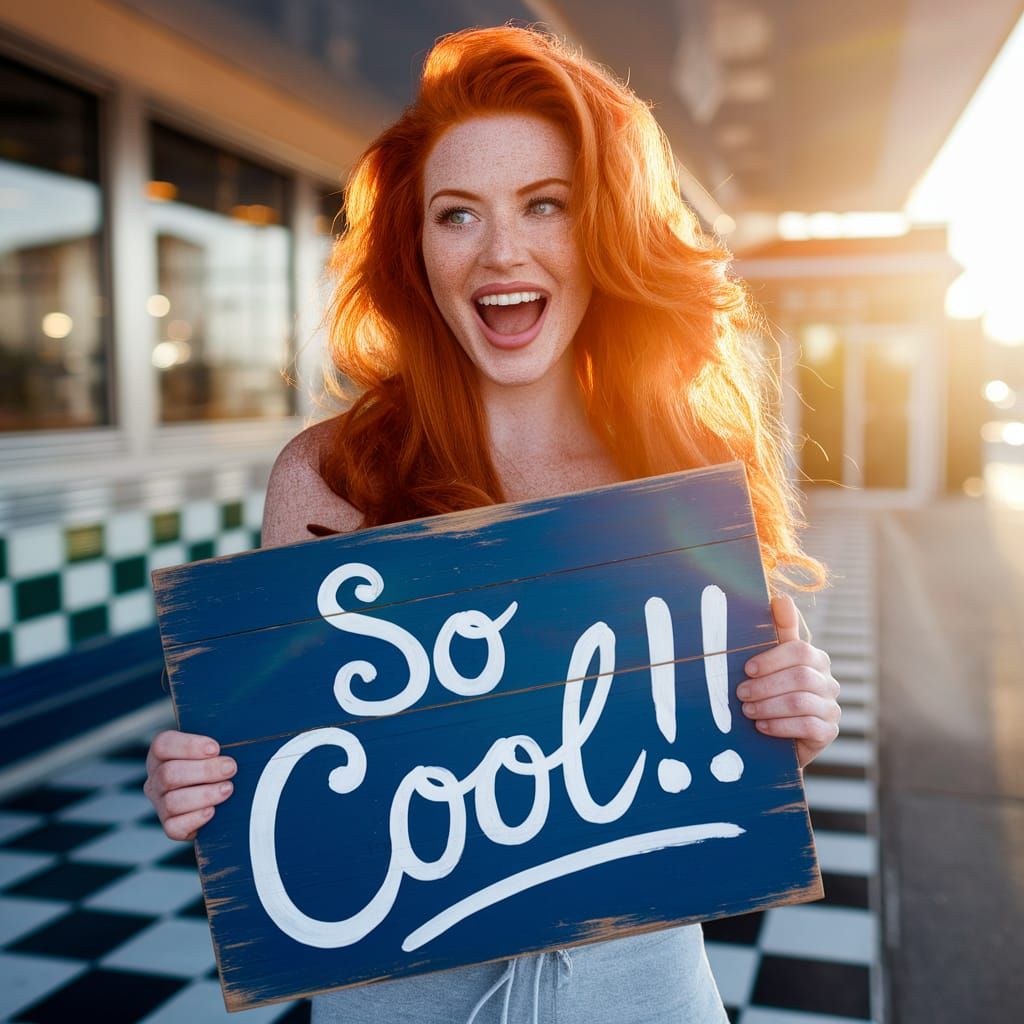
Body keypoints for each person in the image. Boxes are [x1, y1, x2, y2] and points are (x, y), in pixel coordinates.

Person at [144, 24, 841, 1023]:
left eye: (544, 205)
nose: (501, 251)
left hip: (640, 993)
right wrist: (210, 784)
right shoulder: (329, 477)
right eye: (456, 214)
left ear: (600, 230)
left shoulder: (675, 471)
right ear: (416, 249)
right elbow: (293, 790)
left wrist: (795, 713)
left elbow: (729, 745)